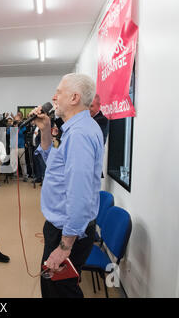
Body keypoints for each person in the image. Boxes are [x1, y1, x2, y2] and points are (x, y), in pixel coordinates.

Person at [30, 73, 104, 298]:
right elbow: (52, 163)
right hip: (63, 226)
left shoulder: (79, 135)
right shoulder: (74, 129)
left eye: (59, 92)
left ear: (74, 98)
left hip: (67, 230)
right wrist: (45, 129)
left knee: (60, 290)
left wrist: (64, 245)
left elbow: (79, 194)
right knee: (55, 287)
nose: (54, 97)